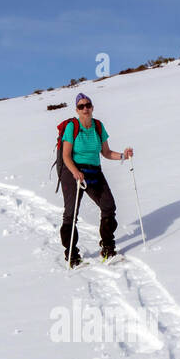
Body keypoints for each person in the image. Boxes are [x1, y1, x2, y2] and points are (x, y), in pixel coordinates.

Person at [60, 92, 133, 266]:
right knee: (71, 214)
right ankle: (72, 256)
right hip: (73, 172)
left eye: (87, 105)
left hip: (94, 171)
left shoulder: (98, 126)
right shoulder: (72, 127)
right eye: (81, 106)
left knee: (108, 205)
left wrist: (124, 155)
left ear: (92, 107)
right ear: (77, 110)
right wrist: (75, 172)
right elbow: (65, 155)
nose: (85, 109)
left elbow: (106, 152)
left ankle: (107, 248)